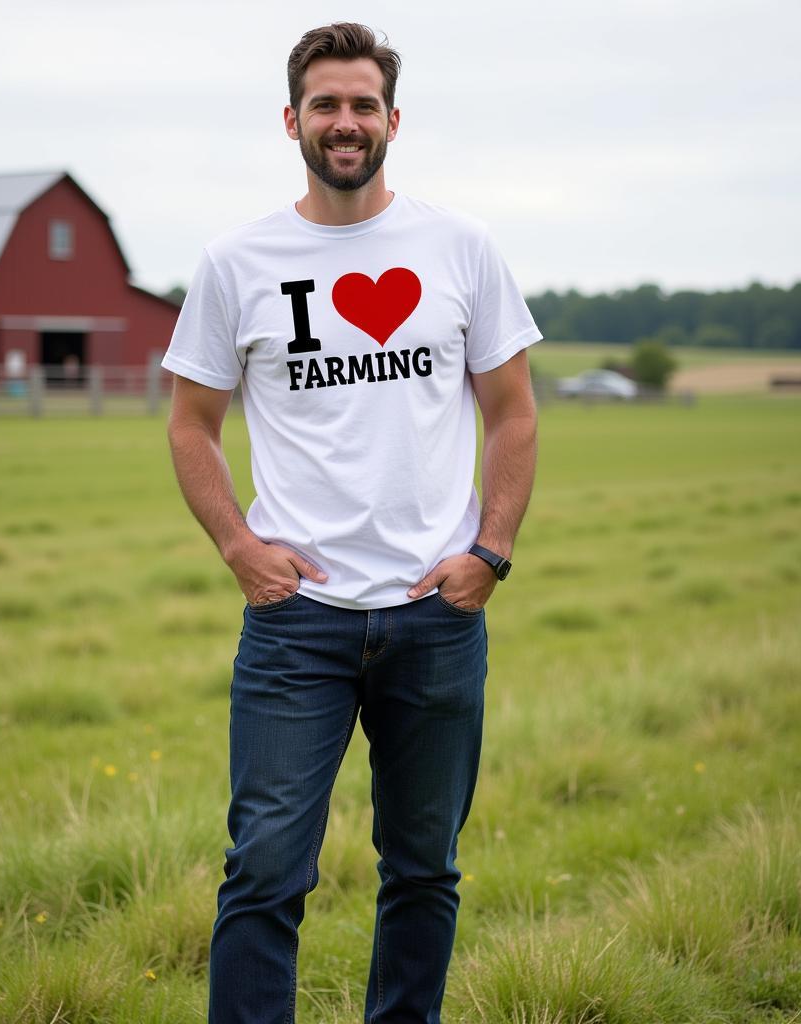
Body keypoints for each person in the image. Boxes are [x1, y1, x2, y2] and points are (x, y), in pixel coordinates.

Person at [164, 22, 542, 1023]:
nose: (345, 122)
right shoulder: (237, 260)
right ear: (291, 119)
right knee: (264, 874)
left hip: (435, 616)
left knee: (423, 870)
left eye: (362, 104)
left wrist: (490, 552)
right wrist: (240, 547)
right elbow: (190, 423)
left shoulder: (459, 247)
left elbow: (513, 411)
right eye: (325, 104)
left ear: (392, 121)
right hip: (298, 623)